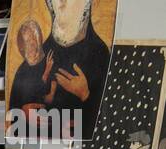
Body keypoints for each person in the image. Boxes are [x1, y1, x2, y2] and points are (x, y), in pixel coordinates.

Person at [41, 0, 112, 140]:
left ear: (85, 4)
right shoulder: (42, 52)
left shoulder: (100, 54)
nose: (61, 2)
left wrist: (85, 95)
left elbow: (108, 120)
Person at [8, 19, 58, 112]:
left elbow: (59, 98)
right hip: (26, 125)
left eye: (33, 39)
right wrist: (23, 111)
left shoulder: (51, 59)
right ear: (22, 46)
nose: (31, 45)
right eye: (26, 41)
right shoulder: (21, 72)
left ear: (39, 40)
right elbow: (12, 109)